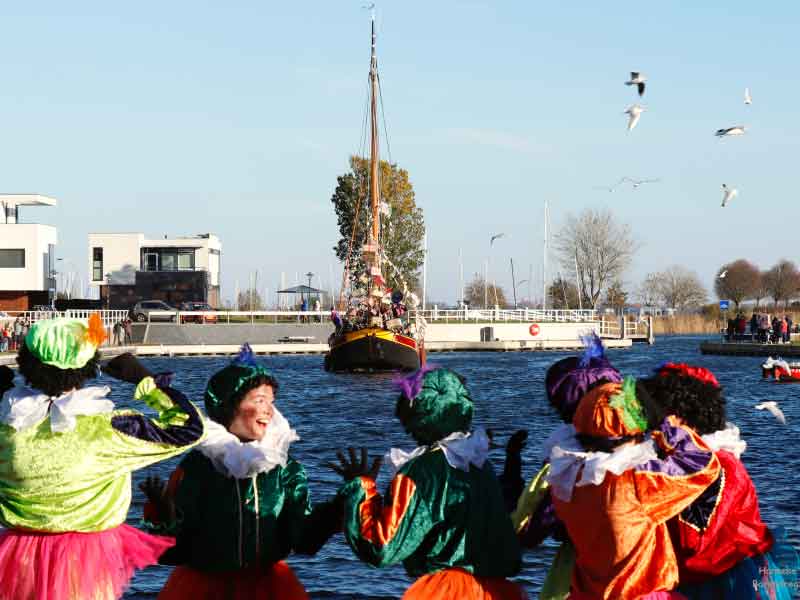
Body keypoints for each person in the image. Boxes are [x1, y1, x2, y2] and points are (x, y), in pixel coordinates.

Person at [0, 315, 205, 599]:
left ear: (26, 364)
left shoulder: (6, 428)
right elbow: (188, 429)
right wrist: (147, 383)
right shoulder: (108, 431)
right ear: (86, 367)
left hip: (17, 558)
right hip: (85, 562)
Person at [142, 344, 341, 599]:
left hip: (270, 590)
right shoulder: (199, 466)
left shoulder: (284, 469)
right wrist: (164, 513)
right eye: (259, 400)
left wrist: (336, 509)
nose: (270, 410)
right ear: (229, 406)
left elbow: (302, 539)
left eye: (272, 401)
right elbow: (172, 552)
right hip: (203, 590)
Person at [331, 366, 524, 599]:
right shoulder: (481, 467)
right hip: (496, 591)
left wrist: (361, 488)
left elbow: (382, 546)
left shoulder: (422, 472)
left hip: (446, 592)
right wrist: (513, 461)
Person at [546, 375, 721, 599]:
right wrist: (664, 426)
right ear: (634, 433)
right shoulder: (634, 481)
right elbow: (703, 465)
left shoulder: (566, 479)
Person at [639, 363, 799, 599]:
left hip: (725, 578)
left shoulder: (720, 466)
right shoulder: (666, 457)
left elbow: (698, 539)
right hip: (683, 574)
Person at [508, 334, 623, 600]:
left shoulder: (565, 466)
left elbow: (527, 528)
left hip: (579, 577)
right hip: (646, 577)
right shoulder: (653, 454)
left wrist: (509, 474)